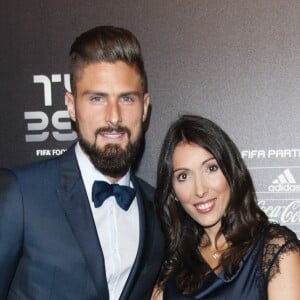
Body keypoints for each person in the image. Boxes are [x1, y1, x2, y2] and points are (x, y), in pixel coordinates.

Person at [0, 25, 164, 300]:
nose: (114, 117)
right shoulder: (21, 194)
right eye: (97, 99)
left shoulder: (156, 209)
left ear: (145, 107)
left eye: (126, 98)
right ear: (71, 105)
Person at [152, 114, 300, 300]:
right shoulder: (170, 269)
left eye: (211, 168)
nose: (200, 190)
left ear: (231, 171)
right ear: (172, 190)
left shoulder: (274, 250)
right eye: (183, 176)